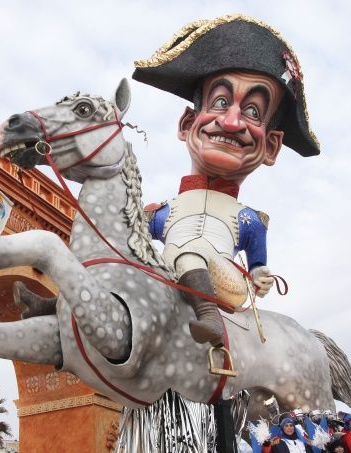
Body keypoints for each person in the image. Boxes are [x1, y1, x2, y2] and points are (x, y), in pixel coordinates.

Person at [133, 14, 320, 346]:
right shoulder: (160, 212)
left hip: (226, 284)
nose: (232, 122)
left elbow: (259, 268)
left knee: (190, 252)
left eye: (252, 112)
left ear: (271, 146)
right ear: (188, 123)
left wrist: (261, 278)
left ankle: (210, 319)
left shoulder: (248, 220)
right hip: (170, 280)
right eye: (220, 103)